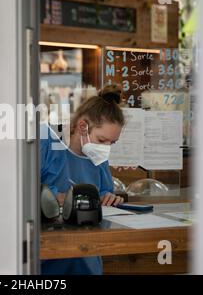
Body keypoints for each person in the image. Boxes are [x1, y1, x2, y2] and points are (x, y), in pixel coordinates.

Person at [40, 87, 126, 275]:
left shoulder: (96, 156)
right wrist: (56, 197)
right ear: (82, 127)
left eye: (112, 143)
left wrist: (108, 198)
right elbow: (24, 188)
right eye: (102, 139)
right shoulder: (48, 139)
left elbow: (103, 191)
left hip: (87, 256)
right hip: (47, 254)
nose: (106, 148)